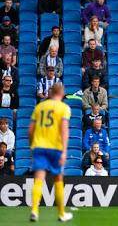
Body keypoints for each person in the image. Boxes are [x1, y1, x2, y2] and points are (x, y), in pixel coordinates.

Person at [28, 84, 73, 222]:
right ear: (62, 93)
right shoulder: (64, 108)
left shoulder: (39, 107)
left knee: (38, 179)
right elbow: (64, 130)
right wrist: (65, 151)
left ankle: (34, 210)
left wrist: (32, 146)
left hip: (39, 146)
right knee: (58, 179)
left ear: (51, 92)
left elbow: (30, 130)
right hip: (56, 148)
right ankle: (61, 213)